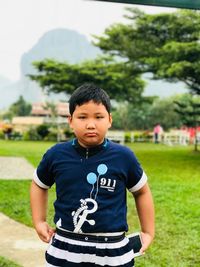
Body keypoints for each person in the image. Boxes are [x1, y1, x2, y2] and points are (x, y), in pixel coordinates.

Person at [30, 83, 155, 267]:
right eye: (82, 117)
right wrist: (39, 221)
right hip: (65, 248)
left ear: (110, 120)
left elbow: (141, 191)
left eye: (99, 117)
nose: (90, 124)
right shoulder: (56, 155)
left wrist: (148, 231)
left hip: (113, 253)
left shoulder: (123, 156)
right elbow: (39, 184)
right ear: (70, 120)